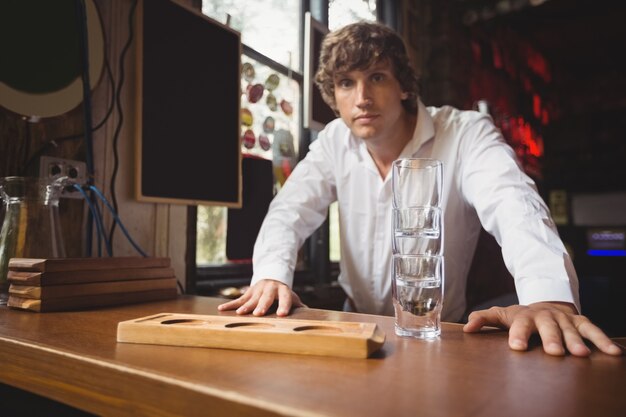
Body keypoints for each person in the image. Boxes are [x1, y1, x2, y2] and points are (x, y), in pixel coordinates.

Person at [219, 21, 622, 357]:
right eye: (346, 83)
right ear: (334, 97)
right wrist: (271, 276)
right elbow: (289, 211)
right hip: (356, 325)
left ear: (405, 86)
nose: (361, 98)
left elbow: (513, 203)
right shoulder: (332, 142)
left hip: (444, 332)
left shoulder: (464, 133)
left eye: (376, 77)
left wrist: (548, 296)